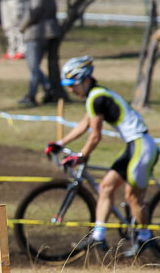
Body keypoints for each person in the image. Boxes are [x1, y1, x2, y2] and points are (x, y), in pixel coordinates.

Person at [45, 56, 158, 256]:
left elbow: (95, 136)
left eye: (73, 84)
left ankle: (144, 237)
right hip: (134, 145)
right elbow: (85, 124)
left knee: (132, 196)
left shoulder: (97, 97)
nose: (71, 90)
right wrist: (61, 143)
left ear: (86, 79)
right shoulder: (95, 96)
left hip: (142, 146)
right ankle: (98, 235)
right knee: (105, 186)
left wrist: (81, 156)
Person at [18, 0, 62, 106]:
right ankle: (49, 89)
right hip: (50, 32)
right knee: (35, 67)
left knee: (33, 66)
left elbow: (32, 14)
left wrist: (21, 27)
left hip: (36, 34)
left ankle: (33, 94)